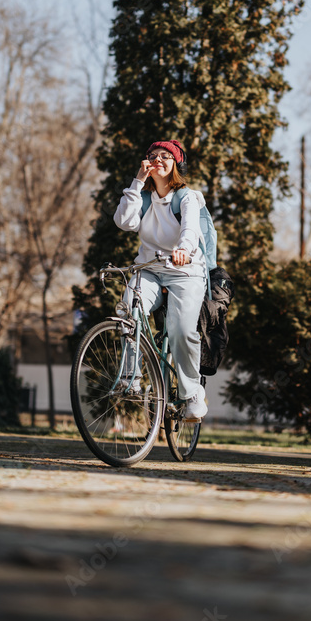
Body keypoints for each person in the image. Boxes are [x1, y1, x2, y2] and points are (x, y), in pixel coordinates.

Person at [113, 139, 208, 422]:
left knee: (179, 329)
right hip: (151, 268)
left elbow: (190, 229)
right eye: (152, 155)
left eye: (165, 156)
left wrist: (184, 250)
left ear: (176, 164)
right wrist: (137, 182)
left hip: (185, 271)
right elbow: (124, 222)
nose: (158, 159)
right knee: (129, 310)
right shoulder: (142, 196)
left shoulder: (186, 197)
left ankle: (192, 393)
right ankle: (131, 377)